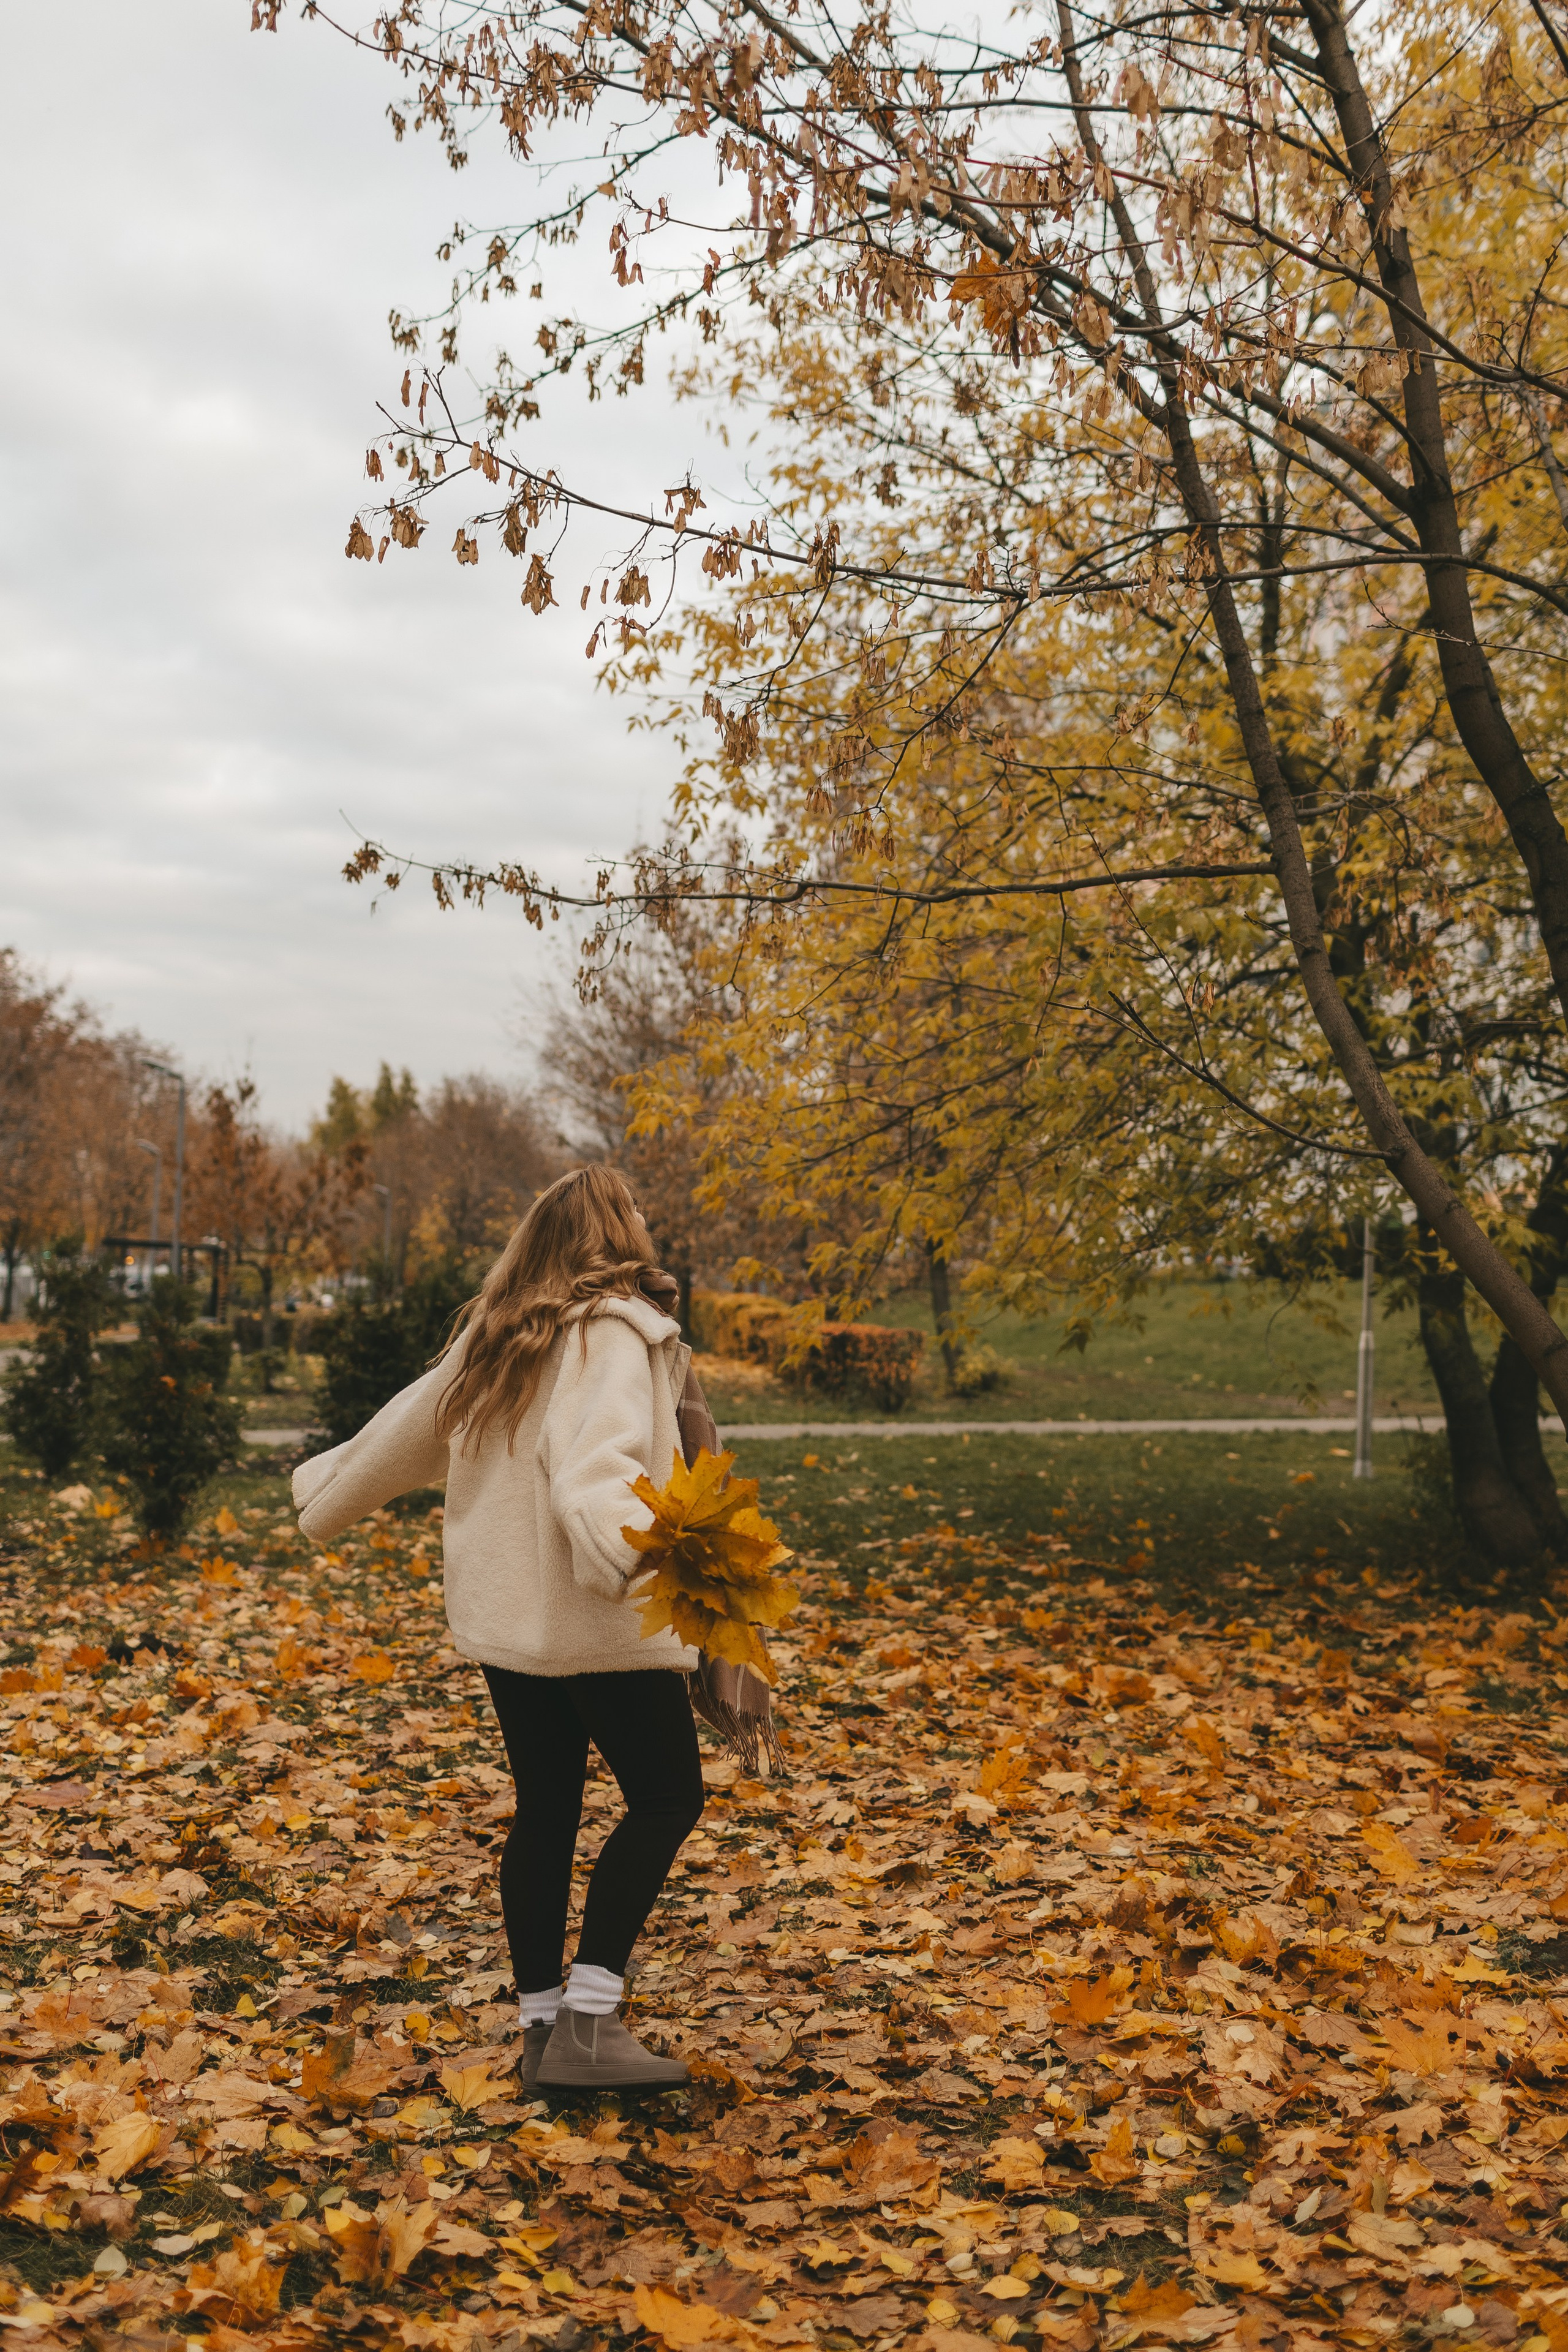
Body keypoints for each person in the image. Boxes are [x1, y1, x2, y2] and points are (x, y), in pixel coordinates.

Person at [292, 1165, 704, 2093]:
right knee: (670, 1797)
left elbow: (403, 1431)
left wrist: (324, 1493)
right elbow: (595, 1461)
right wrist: (633, 1549)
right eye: (636, 1207)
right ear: (607, 1227)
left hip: (510, 1626)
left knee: (548, 1809)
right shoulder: (611, 1329)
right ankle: (591, 2027)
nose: (647, 1217)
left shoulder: (502, 1335)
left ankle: (540, 2029)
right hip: (596, 1615)